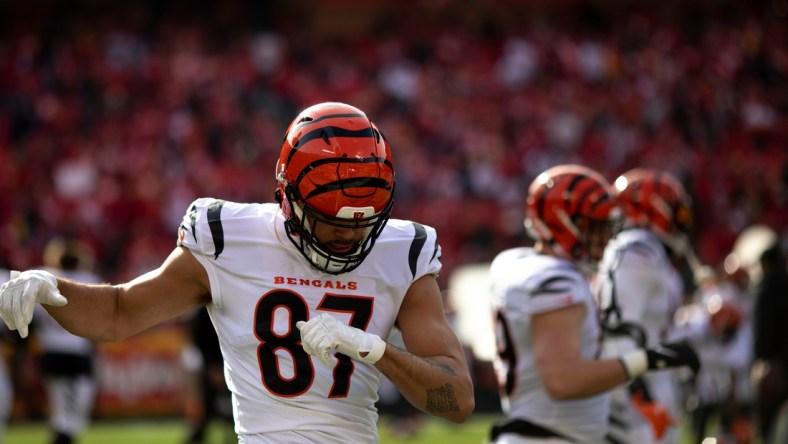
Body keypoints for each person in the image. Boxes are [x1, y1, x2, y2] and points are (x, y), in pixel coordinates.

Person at [0, 101, 475, 443]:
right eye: (327, 223)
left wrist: (373, 349)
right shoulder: (230, 239)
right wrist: (50, 287)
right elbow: (119, 313)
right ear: (287, 198)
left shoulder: (402, 250)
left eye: (363, 224)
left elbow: (456, 399)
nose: (347, 237)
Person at [487, 164, 700, 444]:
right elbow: (562, 379)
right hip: (549, 437)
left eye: (605, 227)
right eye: (593, 227)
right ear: (561, 220)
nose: (604, 239)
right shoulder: (557, 280)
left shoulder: (513, 264)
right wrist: (646, 360)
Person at [595, 168, 697, 443]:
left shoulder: (650, 252)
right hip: (637, 390)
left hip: (647, 381)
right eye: (677, 211)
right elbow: (619, 330)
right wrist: (642, 396)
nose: (683, 221)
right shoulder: (637, 248)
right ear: (654, 209)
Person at [31, 237, 101, 444]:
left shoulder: (41, 278)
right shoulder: (90, 280)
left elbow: (32, 318)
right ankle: (66, 433)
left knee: (60, 403)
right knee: (79, 403)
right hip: (77, 350)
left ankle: (62, 431)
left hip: (50, 349)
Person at [751, 239, 788, 444]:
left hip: (771, 367)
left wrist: (763, 361)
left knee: (768, 426)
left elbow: (763, 330)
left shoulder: (765, 289)